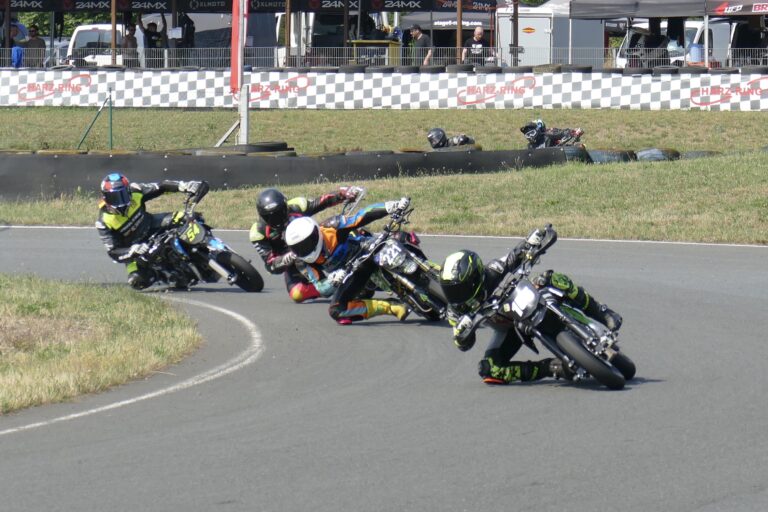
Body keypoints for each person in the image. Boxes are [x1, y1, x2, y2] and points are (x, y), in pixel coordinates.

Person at [438, 239, 622, 386]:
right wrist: (462, 334)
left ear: (475, 277)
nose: (456, 296)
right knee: (489, 370)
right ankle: (551, 368)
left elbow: (513, 257)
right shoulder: (455, 310)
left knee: (551, 279)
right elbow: (462, 344)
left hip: (524, 299)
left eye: (459, 289)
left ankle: (602, 313)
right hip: (508, 329)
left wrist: (533, 243)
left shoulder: (492, 270)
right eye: (450, 290)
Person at [284, 197, 412, 324]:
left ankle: (428, 267)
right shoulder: (304, 261)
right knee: (336, 310)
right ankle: (391, 307)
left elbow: (361, 216)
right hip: (353, 274)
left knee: (401, 237)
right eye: (298, 248)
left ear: (315, 234)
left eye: (306, 244)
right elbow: (320, 287)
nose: (304, 250)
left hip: (368, 249)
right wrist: (332, 280)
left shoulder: (332, 227)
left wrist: (390, 207)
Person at [249, 186, 364, 303]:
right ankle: (336, 286)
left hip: (315, 242)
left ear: (285, 206)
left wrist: (343, 194)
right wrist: (285, 259)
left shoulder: (296, 205)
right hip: (294, 261)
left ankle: (361, 241)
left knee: (339, 226)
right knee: (297, 294)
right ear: (262, 216)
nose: (277, 219)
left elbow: (321, 202)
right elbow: (271, 265)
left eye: (280, 212)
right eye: (270, 217)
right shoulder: (258, 232)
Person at [95, 172, 208, 290]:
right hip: (136, 248)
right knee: (137, 281)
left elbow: (161, 187)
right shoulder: (103, 221)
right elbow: (113, 251)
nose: (121, 201)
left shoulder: (136, 191)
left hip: (151, 225)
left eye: (123, 195)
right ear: (106, 198)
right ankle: (165, 276)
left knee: (186, 217)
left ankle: (207, 243)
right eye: (115, 197)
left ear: (128, 190)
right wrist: (132, 250)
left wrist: (183, 186)